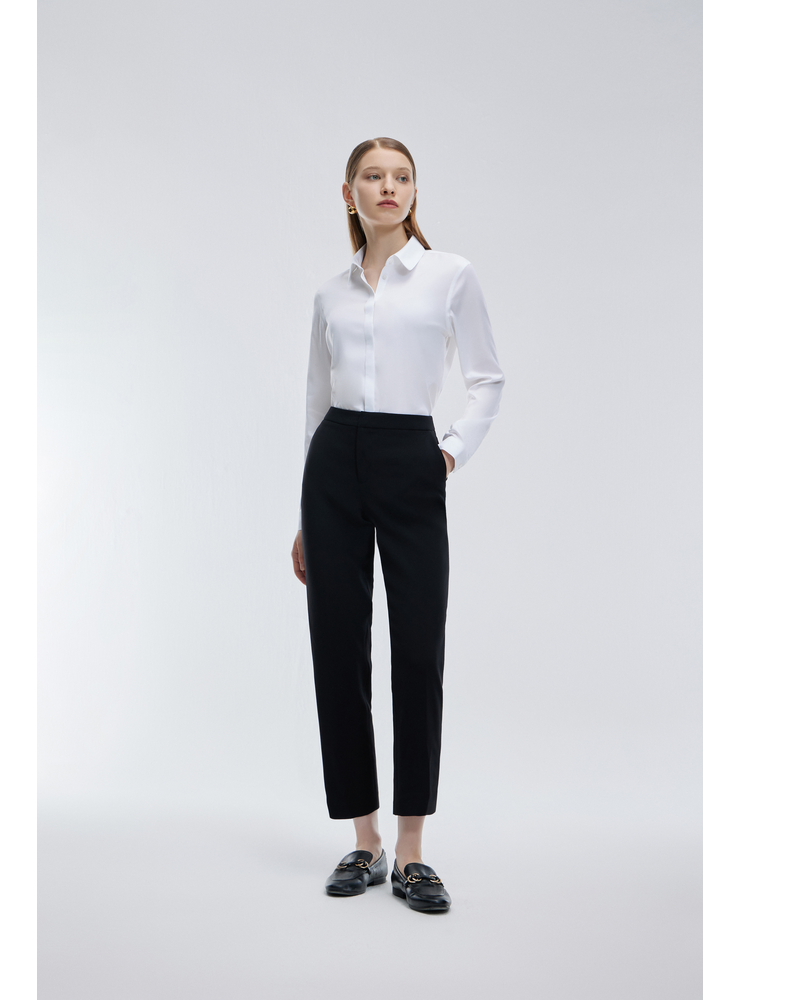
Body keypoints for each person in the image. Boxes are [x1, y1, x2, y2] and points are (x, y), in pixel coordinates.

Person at [290, 137, 504, 913]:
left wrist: (446, 454)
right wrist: (304, 517)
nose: (389, 187)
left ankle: (412, 850)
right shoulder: (331, 295)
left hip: (412, 457)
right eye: (374, 176)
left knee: (417, 650)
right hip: (334, 463)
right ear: (349, 192)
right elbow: (316, 402)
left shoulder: (450, 275)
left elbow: (488, 378)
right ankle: (365, 839)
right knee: (338, 650)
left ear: (415, 191)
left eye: (402, 176)